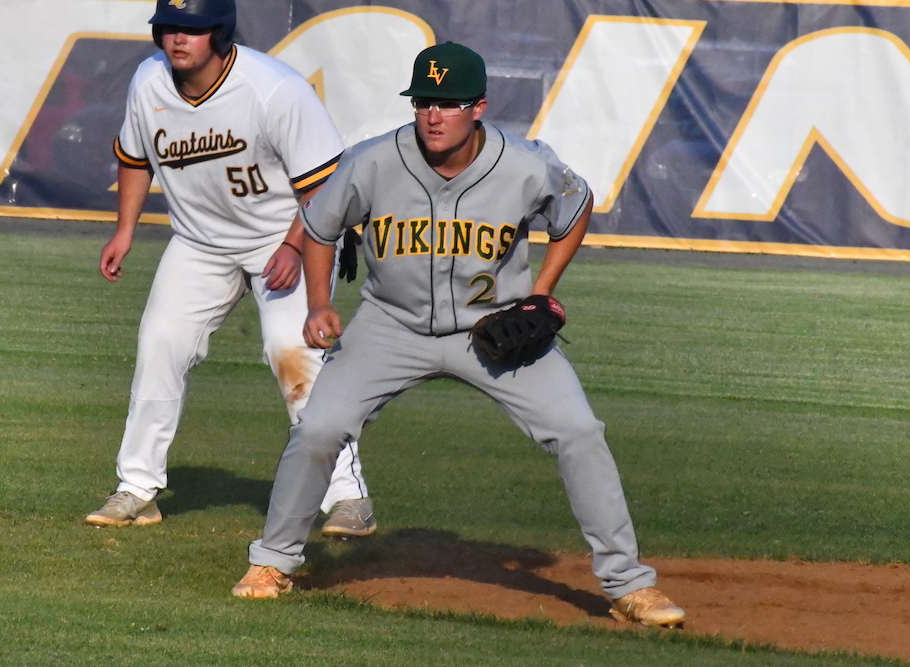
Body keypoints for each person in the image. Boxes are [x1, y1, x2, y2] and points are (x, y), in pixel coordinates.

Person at [230, 42, 685, 628]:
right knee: (318, 427)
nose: (433, 116)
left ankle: (629, 585)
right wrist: (319, 304)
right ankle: (272, 562)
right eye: (424, 102)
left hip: (495, 331)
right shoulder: (373, 161)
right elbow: (320, 227)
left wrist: (543, 288)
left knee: (578, 431)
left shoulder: (524, 163)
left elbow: (575, 207)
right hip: (390, 326)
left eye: (449, 103)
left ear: (479, 107)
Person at [85, 0, 376, 538]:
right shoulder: (149, 83)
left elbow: (328, 187)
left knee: (294, 352)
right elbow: (134, 157)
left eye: (193, 29)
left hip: (287, 236)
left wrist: (293, 245)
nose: (178, 39)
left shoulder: (274, 90)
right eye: (170, 27)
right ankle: (138, 488)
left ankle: (348, 498)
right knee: (159, 344)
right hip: (200, 243)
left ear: (219, 33)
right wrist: (125, 230)